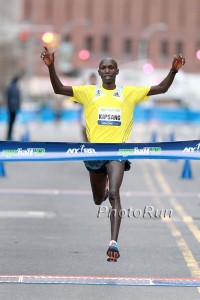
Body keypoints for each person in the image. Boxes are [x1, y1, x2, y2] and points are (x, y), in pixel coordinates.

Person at [41, 45, 185, 262]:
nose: (107, 70)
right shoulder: (89, 92)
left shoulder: (128, 93)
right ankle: (104, 189)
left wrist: (173, 71)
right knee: (99, 199)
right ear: (99, 73)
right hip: (94, 152)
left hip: (117, 151)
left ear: (117, 72)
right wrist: (52, 67)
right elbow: (59, 88)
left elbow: (161, 88)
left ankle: (113, 243)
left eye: (111, 67)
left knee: (116, 194)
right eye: (104, 68)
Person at [78, 72, 97, 142]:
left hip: (95, 116)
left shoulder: (99, 89)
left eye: (94, 79)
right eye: (91, 79)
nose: (93, 81)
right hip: (85, 114)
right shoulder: (86, 89)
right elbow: (76, 102)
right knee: (84, 132)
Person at [6, 75, 21, 140]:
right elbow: (18, 98)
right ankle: (10, 135)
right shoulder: (16, 88)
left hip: (10, 107)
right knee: (12, 121)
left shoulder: (10, 88)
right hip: (14, 107)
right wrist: (18, 106)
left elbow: (8, 97)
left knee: (10, 122)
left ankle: (9, 135)